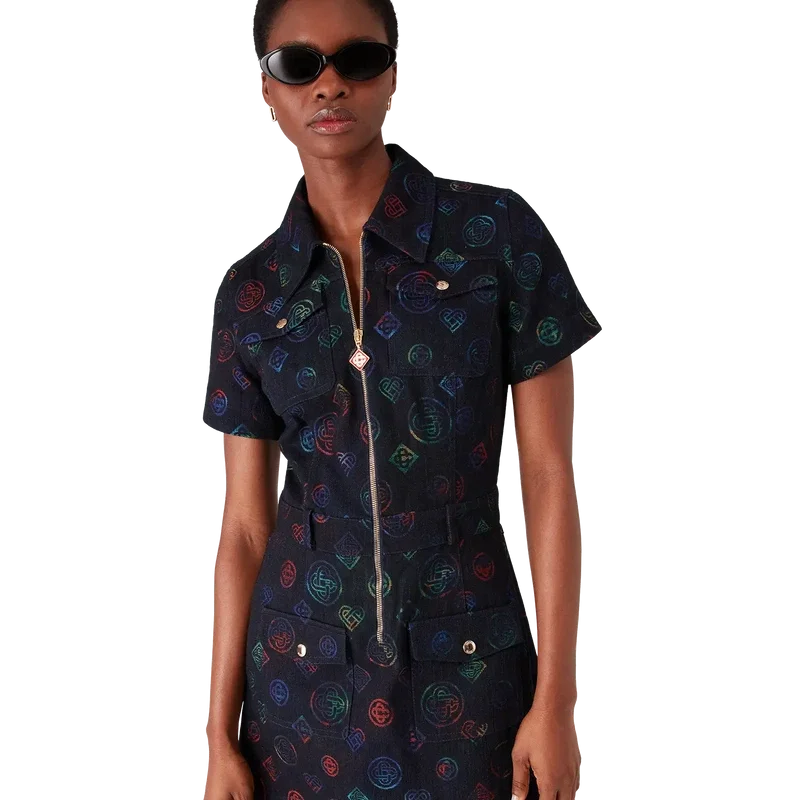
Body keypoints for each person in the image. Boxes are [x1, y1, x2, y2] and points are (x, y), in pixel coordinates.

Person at [202, 1, 604, 798]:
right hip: (298, 685)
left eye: (357, 59)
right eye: (298, 66)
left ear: (393, 75)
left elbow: (548, 477)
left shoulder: (496, 239)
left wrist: (558, 701)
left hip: (473, 672)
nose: (329, 86)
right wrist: (217, 734)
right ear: (265, 90)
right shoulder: (252, 296)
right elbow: (245, 527)